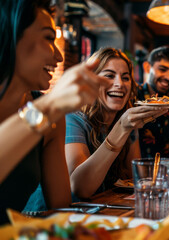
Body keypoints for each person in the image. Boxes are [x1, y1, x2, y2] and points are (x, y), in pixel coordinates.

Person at [0, 0, 108, 223]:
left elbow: (61, 212)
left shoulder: (51, 119)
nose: (59, 57)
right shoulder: (47, 111)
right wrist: (50, 106)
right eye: (49, 38)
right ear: (11, 34)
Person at [65, 48, 167, 199]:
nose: (119, 84)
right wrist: (122, 128)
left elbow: (132, 179)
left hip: (103, 209)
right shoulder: (73, 119)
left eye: (125, 78)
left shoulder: (128, 118)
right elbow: (80, 188)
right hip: (55, 216)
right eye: (109, 76)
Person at [137, 46, 169, 158]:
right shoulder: (133, 95)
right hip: (138, 166)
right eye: (162, 69)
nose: (168, 77)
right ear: (147, 67)